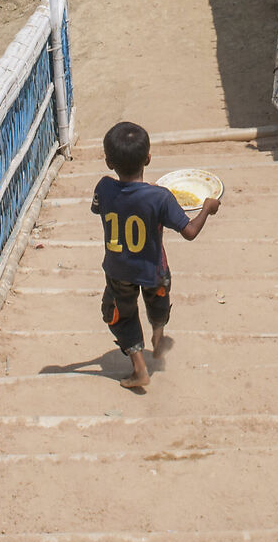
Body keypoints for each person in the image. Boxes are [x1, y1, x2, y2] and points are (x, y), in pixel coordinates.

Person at [92, 120, 220, 392]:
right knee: (157, 304)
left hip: (119, 272)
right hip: (153, 270)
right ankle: (158, 336)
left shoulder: (103, 187)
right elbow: (190, 232)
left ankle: (139, 369)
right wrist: (208, 207)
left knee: (120, 315)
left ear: (108, 163)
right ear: (148, 158)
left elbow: (99, 207)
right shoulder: (161, 197)